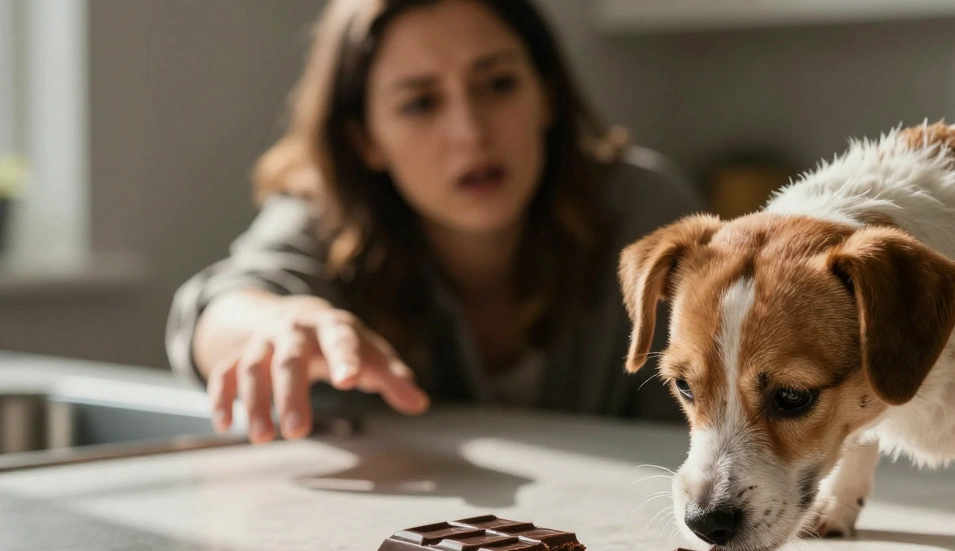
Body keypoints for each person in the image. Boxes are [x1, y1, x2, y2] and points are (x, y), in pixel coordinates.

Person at [167, 0, 701, 443]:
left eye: (497, 85)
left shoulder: (642, 210)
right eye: (420, 103)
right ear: (366, 139)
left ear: (546, 96)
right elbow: (218, 307)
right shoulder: (327, 219)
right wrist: (278, 324)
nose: (470, 131)